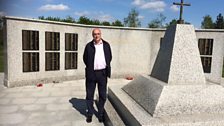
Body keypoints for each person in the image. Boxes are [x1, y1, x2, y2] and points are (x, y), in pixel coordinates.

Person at [83, 28, 112, 123]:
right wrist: (91, 67)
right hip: (91, 74)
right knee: (89, 95)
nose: (96, 36)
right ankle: (90, 114)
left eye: (98, 34)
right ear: (92, 35)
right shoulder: (89, 46)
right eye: (95, 34)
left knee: (103, 95)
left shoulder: (106, 45)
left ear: (101, 34)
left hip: (102, 74)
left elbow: (109, 57)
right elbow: (85, 58)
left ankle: (100, 114)